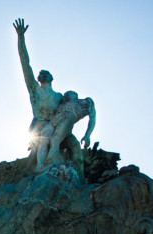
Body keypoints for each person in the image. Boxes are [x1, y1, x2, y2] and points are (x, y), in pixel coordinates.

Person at [14, 18, 95, 170]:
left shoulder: (59, 97)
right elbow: (25, 63)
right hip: (41, 128)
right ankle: (37, 168)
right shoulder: (34, 89)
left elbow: (71, 111)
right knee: (33, 159)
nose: (42, 74)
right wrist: (21, 37)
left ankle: (81, 181)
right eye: (40, 73)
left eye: (46, 73)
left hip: (59, 128)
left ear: (52, 78)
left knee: (76, 148)